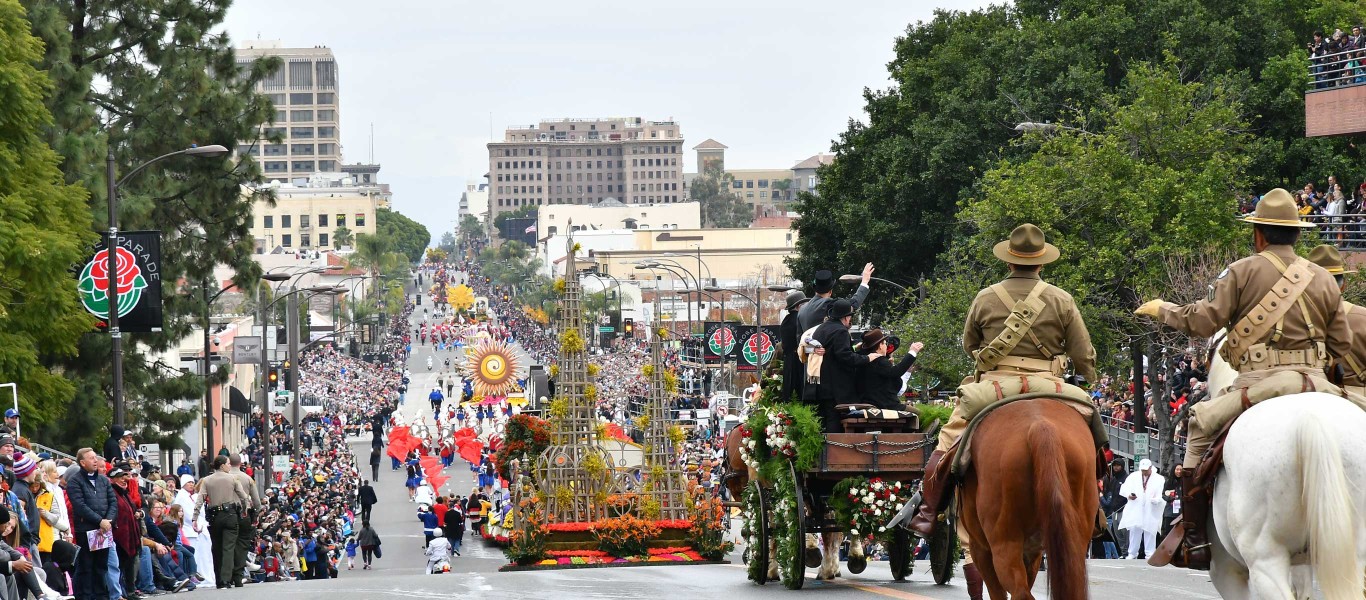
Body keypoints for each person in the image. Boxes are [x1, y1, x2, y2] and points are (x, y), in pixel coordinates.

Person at [1135, 189, 1360, 569]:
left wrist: (1165, 309)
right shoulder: (1323, 278)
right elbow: (1341, 343)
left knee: (1198, 430)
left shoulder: (1242, 270)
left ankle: (1194, 538)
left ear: (1258, 235)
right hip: (1315, 383)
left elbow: (1202, 321)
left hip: (1258, 383)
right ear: (1297, 235)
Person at [911, 224, 1096, 539]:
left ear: (1008, 261)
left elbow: (971, 344)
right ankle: (1094, 513)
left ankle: (928, 513)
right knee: (1093, 437)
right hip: (1051, 385)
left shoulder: (986, 297)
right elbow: (1083, 352)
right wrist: (1087, 380)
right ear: (1041, 262)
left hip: (994, 388)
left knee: (946, 442)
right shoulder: (1062, 299)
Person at [809, 299, 881, 432]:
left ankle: (825, 451)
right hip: (837, 388)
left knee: (825, 421)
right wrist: (867, 358)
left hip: (821, 386)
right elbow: (845, 356)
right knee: (835, 422)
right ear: (846, 317)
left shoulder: (821, 328)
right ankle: (835, 451)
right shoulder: (840, 331)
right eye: (850, 317)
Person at [1307, 244, 1366, 397]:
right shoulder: (1363, 318)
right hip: (1359, 401)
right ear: (1343, 285)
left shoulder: (1294, 319)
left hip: (1310, 394)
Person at [192, 456, 249, 589]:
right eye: (228, 464)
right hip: (230, 514)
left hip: (214, 516)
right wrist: (244, 510)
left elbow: (200, 499)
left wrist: (195, 517)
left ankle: (218, 579)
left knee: (216, 547)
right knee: (228, 548)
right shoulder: (233, 478)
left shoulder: (206, 480)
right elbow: (243, 496)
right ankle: (225, 579)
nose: (230, 466)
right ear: (222, 465)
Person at [66, 447, 116, 600]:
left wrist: (108, 521)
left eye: (95, 457)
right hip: (86, 530)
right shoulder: (74, 481)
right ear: (82, 462)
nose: (95, 460)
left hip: (104, 530)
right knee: (87, 567)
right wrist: (99, 521)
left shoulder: (103, 480)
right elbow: (80, 506)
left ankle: (101, 596)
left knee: (101, 566)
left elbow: (113, 502)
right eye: (91, 458)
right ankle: (87, 596)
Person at [855, 329, 924, 410]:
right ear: (880, 345)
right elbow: (896, 372)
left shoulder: (862, 359)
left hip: (867, 403)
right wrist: (913, 352)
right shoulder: (878, 359)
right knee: (919, 413)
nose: (886, 346)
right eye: (885, 343)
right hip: (884, 405)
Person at [797, 265, 872, 332]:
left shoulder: (802, 309)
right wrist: (865, 282)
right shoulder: (828, 304)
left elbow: (799, 337)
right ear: (830, 291)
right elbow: (853, 304)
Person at [1118, 459, 1166, 560]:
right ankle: (1132, 553)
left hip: (1151, 508)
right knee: (1135, 529)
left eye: (1146, 470)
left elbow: (1161, 493)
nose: (1144, 472)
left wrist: (1156, 499)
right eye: (1142, 470)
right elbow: (1124, 488)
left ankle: (1150, 553)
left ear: (1150, 468)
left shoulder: (1159, 478)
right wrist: (1129, 495)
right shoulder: (1134, 476)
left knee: (1150, 530)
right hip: (1136, 507)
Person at [228, 454, 261, 585]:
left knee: (228, 545)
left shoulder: (224, 477)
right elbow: (256, 501)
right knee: (242, 545)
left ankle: (227, 574)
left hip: (227, 513)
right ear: (241, 463)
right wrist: (256, 513)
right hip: (244, 514)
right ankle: (238, 575)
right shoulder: (247, 478)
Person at [778, 291, 810, 404]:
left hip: (789, 361)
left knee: (790, 393)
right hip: (799, 361)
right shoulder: (799, 319)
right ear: (798, 306)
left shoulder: (785, 321)